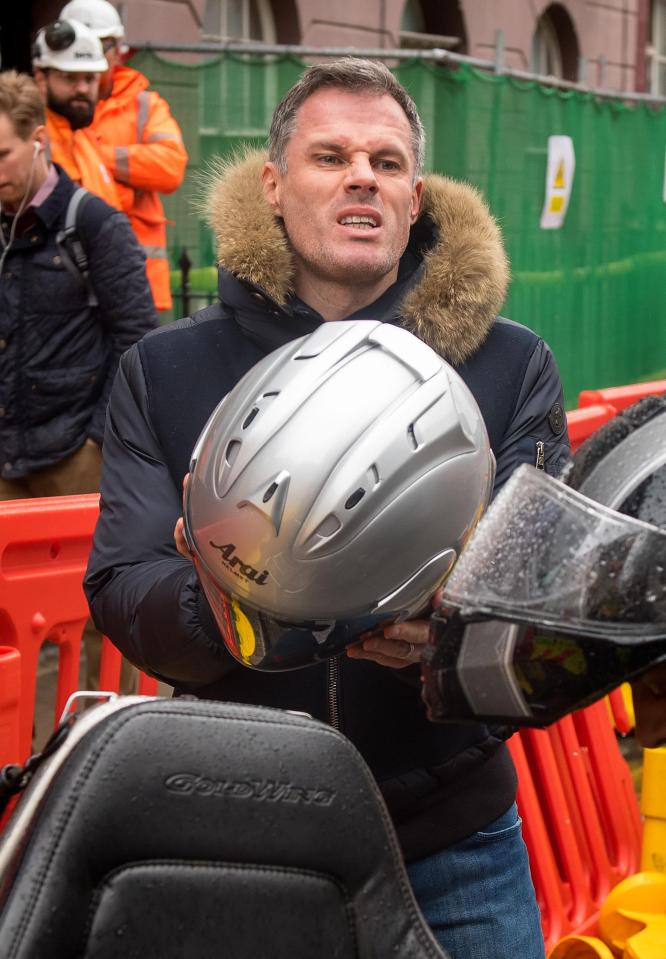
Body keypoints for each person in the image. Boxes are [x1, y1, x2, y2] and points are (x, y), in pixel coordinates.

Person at [85, 59, 570, 958]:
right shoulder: (166, 370)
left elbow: (544, 597)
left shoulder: (511, 365)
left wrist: (450, 637)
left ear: (415, 198)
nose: (362, 176)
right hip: (232, 829)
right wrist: (242, 606)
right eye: (331, 156)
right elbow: (121, 584)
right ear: (273, 186)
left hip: (451, 837)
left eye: (387, 163)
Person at [0, 70, 157, 688]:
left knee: (91, 610)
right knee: (14, 621)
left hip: (76, 454)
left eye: (1, 154)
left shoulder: (93, 226)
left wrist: (98, 437)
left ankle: (90, 740)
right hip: (8, 453)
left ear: (38, 140)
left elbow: (137, 339)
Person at [59, 0, 188, 312]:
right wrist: (127, 180)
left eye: (103, 46)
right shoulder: (56, 108)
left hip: (138, 279)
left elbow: (170, 166)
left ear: (118, 50)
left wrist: (95, 156)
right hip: (70, 277)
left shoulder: (144, 104)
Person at [32, 18, 119, 209]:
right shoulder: (31, 143)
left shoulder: (86, 139)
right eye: (69, 77)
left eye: (90, 78)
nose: (82, 88)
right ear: (41, 78)